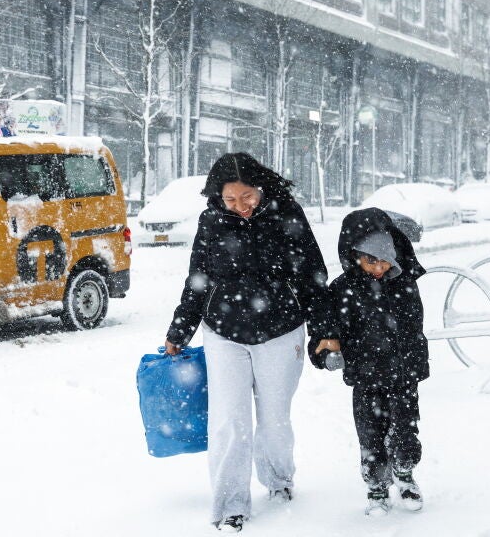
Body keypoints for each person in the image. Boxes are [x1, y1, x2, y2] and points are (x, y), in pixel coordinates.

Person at [163, 152, 338, 533]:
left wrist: (326, 332)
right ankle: (229, 503)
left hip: (280, 331)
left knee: (274, 419)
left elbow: (313, 276)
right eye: (231, 200)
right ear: (218, 197)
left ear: (261, 189)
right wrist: (180, 329)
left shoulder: (286, 216)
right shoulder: (211, 221)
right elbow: (198, 278)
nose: (240, 207)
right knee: (228, 421)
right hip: (223, 333)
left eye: (248, 198)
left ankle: (279, 481)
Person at [310, 207, 430, 516]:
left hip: (403, 375)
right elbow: (326, 329)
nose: (378, 268)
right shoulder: (342, 289)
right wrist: (325, 351)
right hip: (366, 377)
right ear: (355, 257)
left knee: (405, 429)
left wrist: (415, 362)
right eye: (369, 261)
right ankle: (377, 487)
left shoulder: (404, 284)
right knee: (371, 434)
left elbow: (413, 326)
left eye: (383, 260)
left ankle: (405, 474)